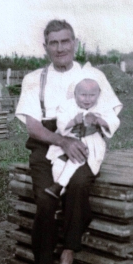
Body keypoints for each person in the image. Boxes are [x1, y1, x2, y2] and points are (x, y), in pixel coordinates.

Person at [15, 19, 123, 264]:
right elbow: (33, 127)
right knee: (46, 200)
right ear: (46, 47)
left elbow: (111, 114)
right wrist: (62, 141)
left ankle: (67, 256)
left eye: (66, 41)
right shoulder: (34, 79)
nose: (60, 48)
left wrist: (88, 129)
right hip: (46, 146)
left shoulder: (93, 75)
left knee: (77, 185)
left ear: (74, 43)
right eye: (54, 42)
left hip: (85, 143)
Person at [45, 71, 121, 199]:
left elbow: (114, 121)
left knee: (76, 159)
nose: (87, 99)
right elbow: (61, 123)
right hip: (68, 142)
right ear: (75, 94)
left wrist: (98, 120)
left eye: (92, 95)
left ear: (99, 94)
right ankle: (59, 194)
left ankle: (59, 185)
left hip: (91, 145)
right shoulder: (67, 106)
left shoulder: (102, 106)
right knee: (58, 163)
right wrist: (74, 121)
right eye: (83, 95)